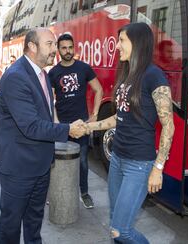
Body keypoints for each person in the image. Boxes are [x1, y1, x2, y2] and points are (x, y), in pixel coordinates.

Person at [0, 27, 86, 244]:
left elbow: (45, 115)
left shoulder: (41, 73)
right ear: (32, 47)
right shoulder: (16, 77)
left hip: (41, 163)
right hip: (18, 166)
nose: (55, 50)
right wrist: (67, 129)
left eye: (55, 44)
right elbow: (31, 126)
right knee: (12, 222)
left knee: (34, 219)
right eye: (50, 44)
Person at [87, 22, 175, 243]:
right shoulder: (128, 75)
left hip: (139, 164)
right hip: (117, 159)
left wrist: (158, 167)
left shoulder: (154, 76)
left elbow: (169, 125)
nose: (117, 46)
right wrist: (89, 126)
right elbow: (119, 118)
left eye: (122, 41)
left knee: (121, 230)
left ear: (138, 43)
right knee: (115, 221)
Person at [48, 33, 103, 209]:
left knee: (83, 162)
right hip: (62, 127)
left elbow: (99, 90)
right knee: (56, 162)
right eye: (63, 48)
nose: (68, 51)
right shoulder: (53, 73)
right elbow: (49, 100)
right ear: (58, 50)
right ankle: (56, 192)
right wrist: (56, 122)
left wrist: (94, 115)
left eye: (70, 47)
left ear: (74, 48)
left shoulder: (84, 68)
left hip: (81, 126)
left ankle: (84, 193)